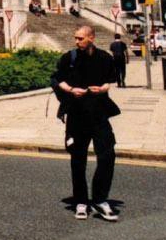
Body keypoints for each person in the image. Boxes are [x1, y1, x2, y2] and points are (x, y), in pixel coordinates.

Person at [51, 25, 120, 221]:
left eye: (80, 38)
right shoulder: (69, 58)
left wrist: (102, 89)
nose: (76, 41)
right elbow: (58, 80)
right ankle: (81, 201)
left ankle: (100, 199)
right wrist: (71, 90)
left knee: (107, 155)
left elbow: (109, 82)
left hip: (99, 114)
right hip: (77, 115)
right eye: (75, 38)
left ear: (91, 38)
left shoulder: (105, 58)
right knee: (78, 158)